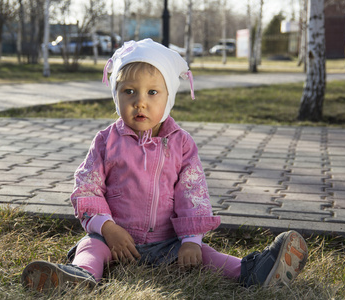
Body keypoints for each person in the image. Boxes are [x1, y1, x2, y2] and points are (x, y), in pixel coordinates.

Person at [21, 38, 308, 293]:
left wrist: (191, 240)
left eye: (152, 93)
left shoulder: (181, 144)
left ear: (169, 96)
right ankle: (79, 275)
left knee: (206, 256)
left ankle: (252, 271)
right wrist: (107, 229)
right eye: (129, 92)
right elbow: (86, 189)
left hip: (168, 244)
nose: (140, 103)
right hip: (115, 240)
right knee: (90, 246)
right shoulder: (105, 141)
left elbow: (192, 194)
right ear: (116, 94)